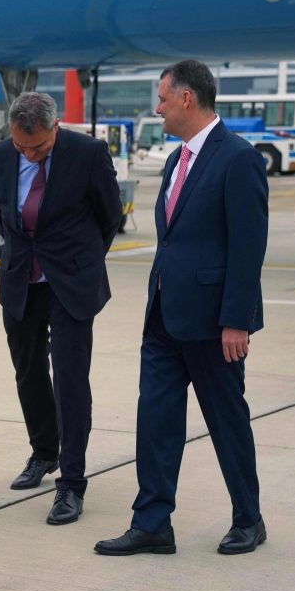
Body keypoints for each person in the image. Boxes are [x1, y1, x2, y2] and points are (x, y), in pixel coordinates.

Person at [95, 61, 269, 557]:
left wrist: (236, 319)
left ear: (187, 99)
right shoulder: (176, 161)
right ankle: (152, 522)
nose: (158, 108)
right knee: (155, 421)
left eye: (163, 99)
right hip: (164, 316)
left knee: (226, 422)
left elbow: (247, 247)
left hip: (214, 324)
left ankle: (248, 519)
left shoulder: (238, 158)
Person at [0, 92, 122, 525]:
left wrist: (82, 260)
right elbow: (0, 212)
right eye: (22, 146)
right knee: (28, 372)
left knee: (69, 378)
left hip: (71, 283)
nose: (29, 154)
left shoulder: (88, 152)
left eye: (39, 147)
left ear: (56, 126)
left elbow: (110, 215)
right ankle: (44, 452)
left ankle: (72, 482)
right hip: (21, 279)